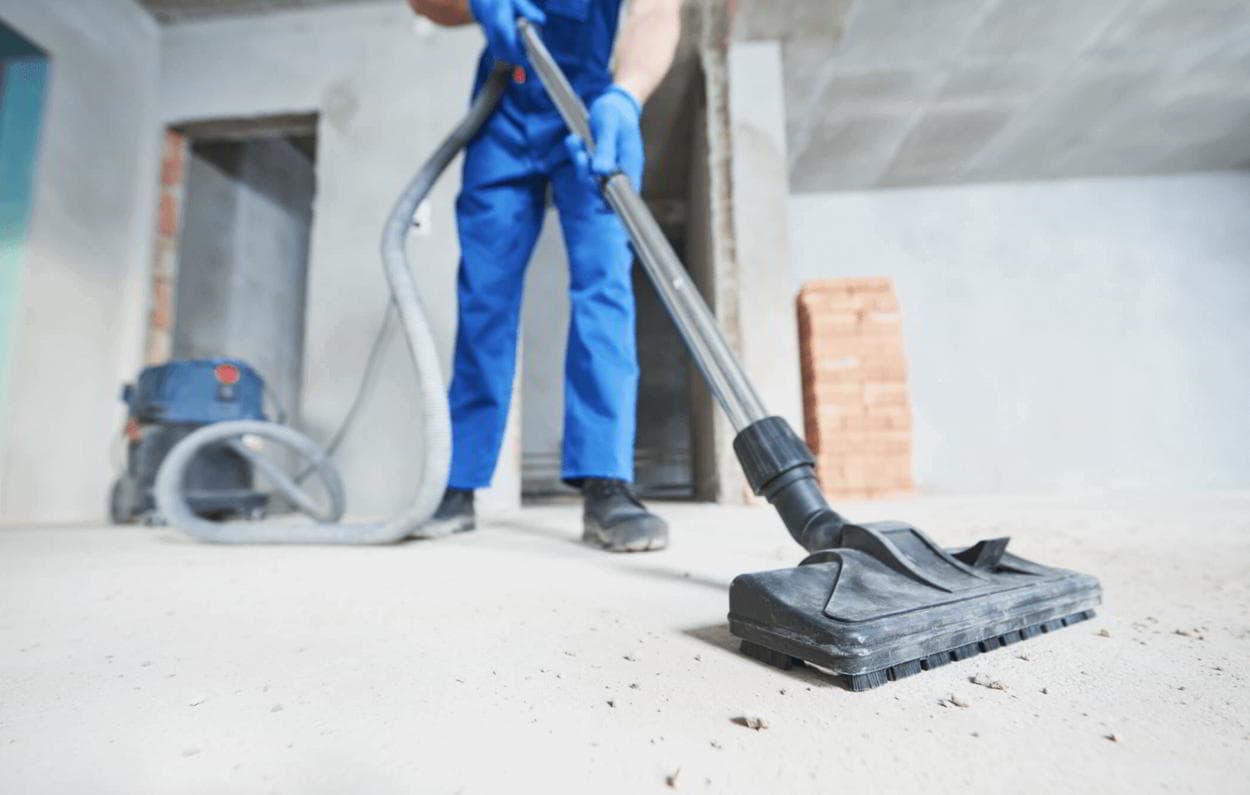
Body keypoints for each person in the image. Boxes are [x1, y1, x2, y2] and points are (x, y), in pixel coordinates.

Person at [408, 0, 683, 551]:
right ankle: (458, 483)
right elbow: (426, 4)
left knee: (603, 286)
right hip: (503, 105)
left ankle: (607, 483)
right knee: (484, 296)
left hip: (587, 105)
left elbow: (656, 10)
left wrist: (627, 95)